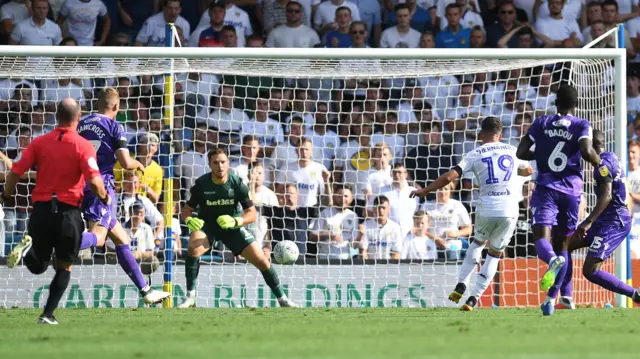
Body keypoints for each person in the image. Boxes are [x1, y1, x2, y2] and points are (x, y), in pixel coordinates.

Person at [3, 98, 109, 324]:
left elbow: (16, 170)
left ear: (56, 117)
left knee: (39, 265)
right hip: (67, 213)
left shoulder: (39, 142)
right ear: (78, 118)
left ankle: (29, 249)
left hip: (40, 212)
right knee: (64, 266)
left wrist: (6, 193)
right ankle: (47, 314)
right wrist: (105, 197)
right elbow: (94, 180)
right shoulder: (83, 145)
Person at [411, 117, 534, 311]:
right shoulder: (513, 151)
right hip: (510, 209)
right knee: (494, 254)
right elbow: (528, 170)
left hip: (486, 207)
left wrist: (425, 190)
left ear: (480, 135)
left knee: (477, 243)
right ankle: (473, 298)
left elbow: (449, 177)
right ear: (500, 135)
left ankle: (462, 282)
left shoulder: (474, 153)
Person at [76, 88, 170, 305]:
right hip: (102, 187)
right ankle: (53, 242)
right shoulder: (114, 126)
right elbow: (126, 162)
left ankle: (146, 290)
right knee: (98, 238)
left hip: (82, 184)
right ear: (116, 107)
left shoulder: (81, 124)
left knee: (121, 238)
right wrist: (138, 165)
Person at [516, 83, 601, 315]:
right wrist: (598, 163)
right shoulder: (582, 124)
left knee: (542, 239)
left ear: (555, 102)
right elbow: (586, 151)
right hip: (572, 192)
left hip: (546, 188)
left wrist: (540, 154)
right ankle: (556, 299)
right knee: (563, 245)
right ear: (576, 104)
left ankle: (551, 262)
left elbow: (520, 152)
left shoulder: (542, 122)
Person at [178, 147, 298, 308]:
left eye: (223, 162)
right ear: (209, 164)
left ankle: (283, 299)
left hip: (232, 226)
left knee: (262, 260)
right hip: (208, 226)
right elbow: (186, 210)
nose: (220, 166)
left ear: (228, 163)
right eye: (215, 162)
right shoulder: (201, 184)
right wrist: (188, 220)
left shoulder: (237, 184)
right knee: (193, 248)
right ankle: (190, 296)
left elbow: (252, 214)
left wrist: (235, 222)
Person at [566, 131, 640, 312]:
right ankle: (566, 298)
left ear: (589, 146)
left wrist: (587, 222)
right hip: (606, 218)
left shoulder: (602, 165)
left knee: (590, 271)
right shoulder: (611, 157)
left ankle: (636, 295)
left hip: (614, 222)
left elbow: (606, 196)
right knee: (566, 243)